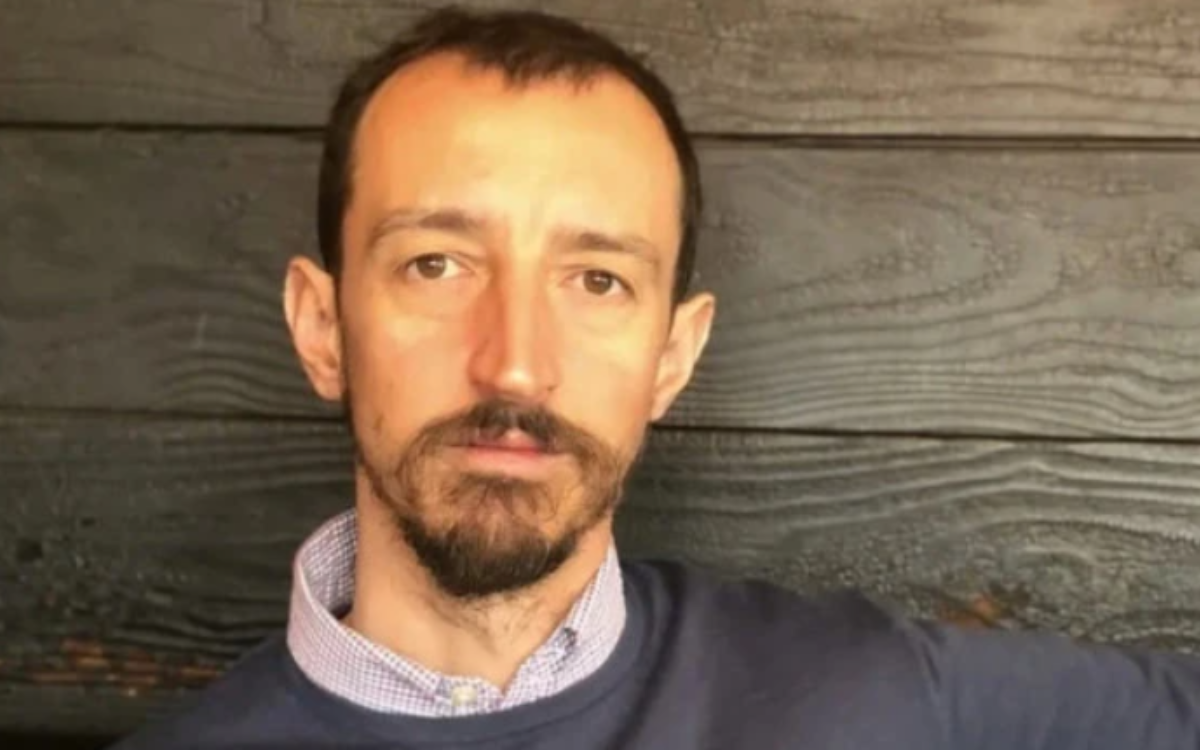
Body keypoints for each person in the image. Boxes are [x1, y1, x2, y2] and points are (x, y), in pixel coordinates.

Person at [110, 6, 1200, 749]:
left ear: (673, 357)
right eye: (437, 265)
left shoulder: (868, 694)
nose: (516, 361)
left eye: (598, 280)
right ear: (322, 327)